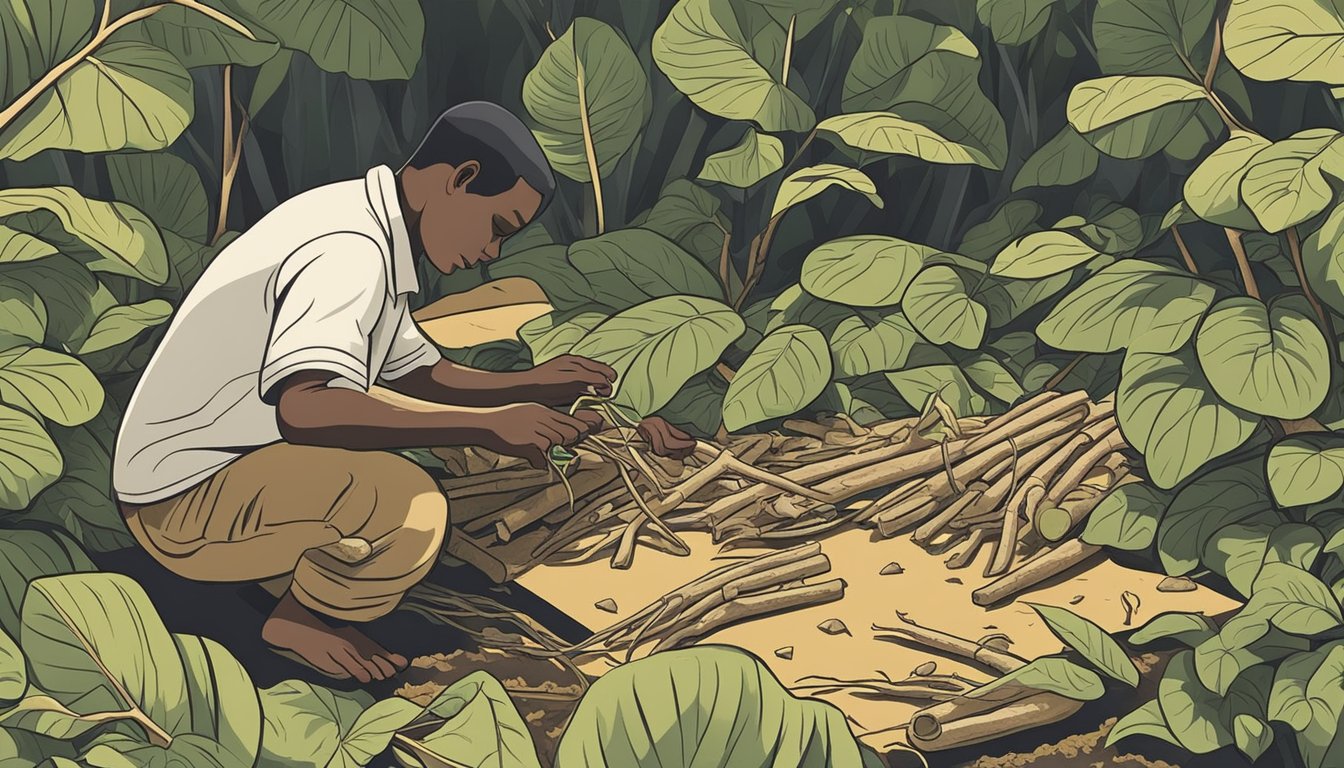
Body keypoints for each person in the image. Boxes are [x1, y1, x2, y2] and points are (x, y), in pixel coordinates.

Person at [112, 101, 695, 684]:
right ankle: (300, 617)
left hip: (220, 463)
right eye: (497, 227)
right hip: (180, 500)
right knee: (410, 507)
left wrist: (530, 384)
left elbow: (418, 374)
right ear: (460, 179)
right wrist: (487, 425)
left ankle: (296, 564)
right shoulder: (350, 249)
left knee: (409, 426)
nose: (491, 253)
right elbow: (305, 408)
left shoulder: (371, 226)